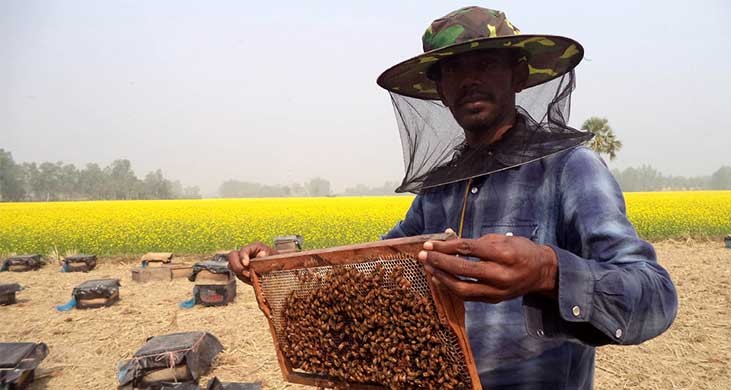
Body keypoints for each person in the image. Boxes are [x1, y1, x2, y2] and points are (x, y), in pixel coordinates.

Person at [229, 6, 678, 389]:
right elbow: (374, 269)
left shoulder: (569, 168)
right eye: (453, 70)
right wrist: (276, 270)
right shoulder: (440, 188)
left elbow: (655, 296)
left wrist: (548, 271)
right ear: (439, 92)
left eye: (484, 63)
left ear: (518, 74)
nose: (469, 80)